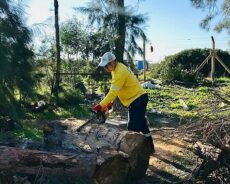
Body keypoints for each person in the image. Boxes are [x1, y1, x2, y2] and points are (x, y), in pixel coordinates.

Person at [93, 52, 155, 153]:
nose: (105, 68)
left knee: (132, 128)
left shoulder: (119, 72)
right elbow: (117, 90)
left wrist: (100, 106)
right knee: (142, 124)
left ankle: (133, 154)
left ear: (112, 63)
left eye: (106, 66)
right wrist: (109, 104)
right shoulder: (116, 69)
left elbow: (113, 92)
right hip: (138, 98)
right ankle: (150, 147)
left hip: (137, 100)